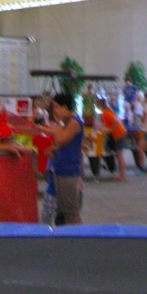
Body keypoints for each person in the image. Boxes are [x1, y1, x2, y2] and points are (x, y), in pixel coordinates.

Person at [43, 92, 84, 224]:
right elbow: (61, 144)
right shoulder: (67, 124)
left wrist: (59, 122)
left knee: (71, 213)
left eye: (56, 107)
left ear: (65, 107)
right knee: (63, 212)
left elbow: (61, 140)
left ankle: (77, 235)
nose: (55, 111)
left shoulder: (74, 123)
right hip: (60, 170)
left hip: (69, 172)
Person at [98, 96, 128, 181]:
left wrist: (111, 130)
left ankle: (122, 176)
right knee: (119, 154)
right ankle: (122, 174)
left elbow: (115, 121)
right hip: (120, 133)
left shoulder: (106, 113)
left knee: (119, 155)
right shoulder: (107, 112)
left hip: (119, 133)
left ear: (100, 105)